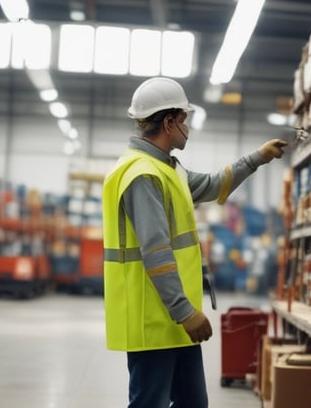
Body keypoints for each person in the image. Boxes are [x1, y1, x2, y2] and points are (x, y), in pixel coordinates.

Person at [102, 76, 288, 408]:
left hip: (173, 320)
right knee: (149, 402)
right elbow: (155, 251)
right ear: (169, 122)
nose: (188, 127)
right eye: (184, 120)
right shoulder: (142, 174)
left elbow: (216, 185)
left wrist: (258, 157)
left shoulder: (169, 169)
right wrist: (185, 311)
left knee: (192, 402)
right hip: (154, 320)